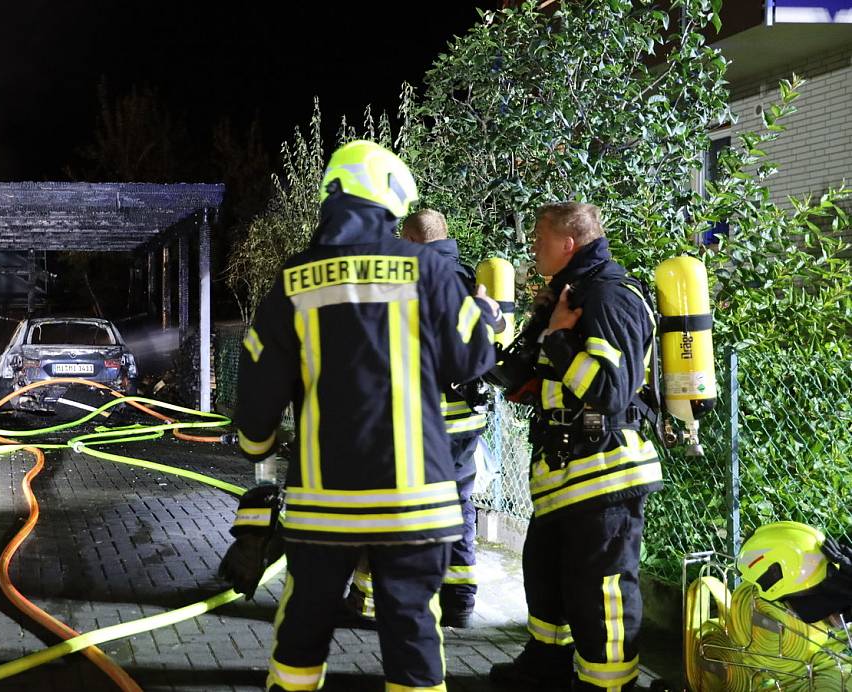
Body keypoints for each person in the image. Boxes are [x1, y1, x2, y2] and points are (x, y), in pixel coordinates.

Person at [233, 140, 502, 692]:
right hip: (416, 506)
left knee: (300, 639)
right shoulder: (427, 269)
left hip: (323, 509)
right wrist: (485, 313)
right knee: (414, 642)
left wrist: (257, 448)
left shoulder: (291, 282)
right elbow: (474, 359)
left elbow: (258, 394)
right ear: (388, 198)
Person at [488, 202, 661, 691]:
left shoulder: (610, 297)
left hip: (603, 473)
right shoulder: (567, 294)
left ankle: (607, 683)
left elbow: (611, 390)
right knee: (546, 579)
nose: (532, 247)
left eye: (539, 238)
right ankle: (547, 666)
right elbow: (528, 376)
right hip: (564, 475)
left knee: (599, 593)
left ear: (568, 243)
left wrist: (561, 339)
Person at [345, 209, 490, 630]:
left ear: (410, 240)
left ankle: (368, 600)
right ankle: (459, 600)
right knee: (459, 507)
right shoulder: (466, 280)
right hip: (464, 423)